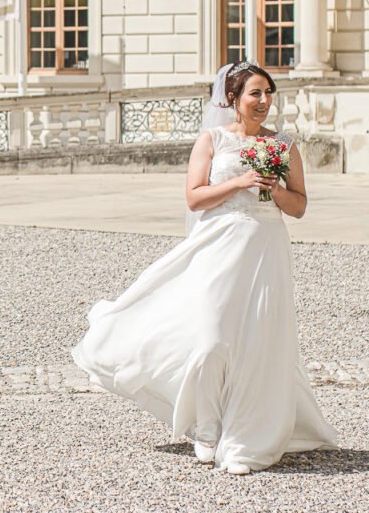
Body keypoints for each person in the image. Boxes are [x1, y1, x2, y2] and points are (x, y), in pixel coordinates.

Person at [71, 61, 338, 474]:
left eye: (268, 93)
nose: (264, 101)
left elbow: (299, 206)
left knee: (258, 341)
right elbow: (195, 197)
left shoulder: (283, 145)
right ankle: (207, 425)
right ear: (233, 98)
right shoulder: (212, 139)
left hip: (266, 247)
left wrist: (273, 190)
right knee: (210, 339)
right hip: (219, 245)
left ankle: (248, 432)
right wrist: (239, 182)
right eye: (255, 93)